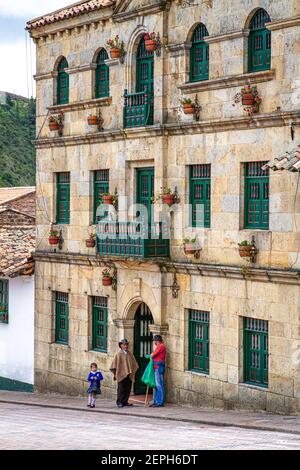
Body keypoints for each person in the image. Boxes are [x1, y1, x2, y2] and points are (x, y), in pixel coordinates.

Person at [110, 339, 139, 408]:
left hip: (129, 374)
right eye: (124, 345)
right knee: (121, 389)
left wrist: (131, 371)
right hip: (121, 374)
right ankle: (119, 402)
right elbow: (114, 365)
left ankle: (125, 401)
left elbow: (134, 364)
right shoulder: (118, 354)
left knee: (128, 388)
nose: (126, 346)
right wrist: (116, 373)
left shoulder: (130, 353)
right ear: (121, 346)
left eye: (126, 345)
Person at [150, 335, 167, 407]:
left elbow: (153, 355)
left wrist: (151, 355)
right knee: (156, 385)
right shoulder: (160, 346)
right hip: (156, 366)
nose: (154, 342)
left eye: (154, 341)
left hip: (158, 367)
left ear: (156, 341)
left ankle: (160, 401)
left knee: (159, 385)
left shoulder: (161, 346)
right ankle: (156, 400)